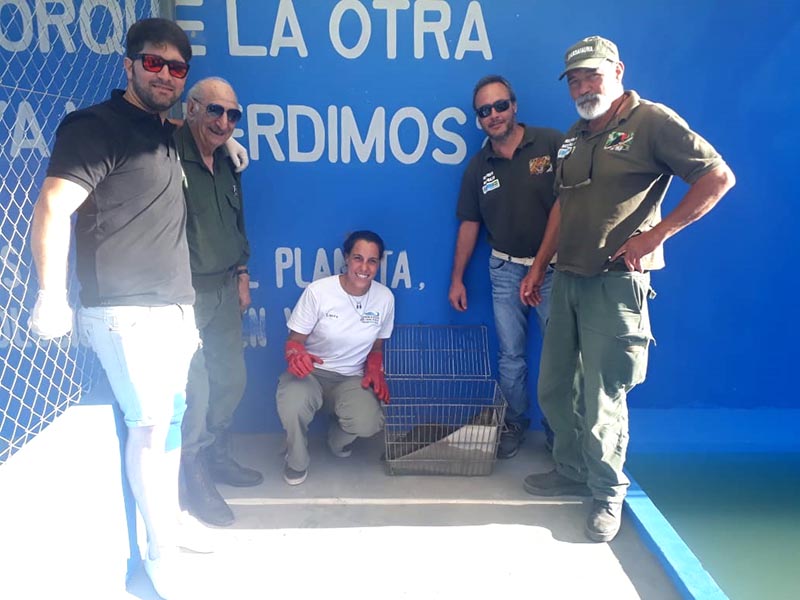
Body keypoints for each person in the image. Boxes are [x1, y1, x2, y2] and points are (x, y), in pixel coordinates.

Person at [520, 36, 735, 543]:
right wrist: (538, 265)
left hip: (615, 286)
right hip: (567, 278)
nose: (582, 86)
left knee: (603, 397)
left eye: (591, 75)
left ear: (617, 70)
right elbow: (561, 207)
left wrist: (656, 235)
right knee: (554, 388)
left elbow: (716, 177)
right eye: (574, 79)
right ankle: (571, 469)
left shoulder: (650, 121)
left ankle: (607, 492)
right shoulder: (574, 136)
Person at [29, 18, 205, 599]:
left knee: (170, 419)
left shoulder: (163, 130)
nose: (164, 75)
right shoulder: (94, 127)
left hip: (174, 306)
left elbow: (191, 125)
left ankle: (168, 527)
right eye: (152, 63)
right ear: (127, 65)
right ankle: (161, 557)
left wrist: (223, 139)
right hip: (125, 312)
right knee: (151, 428)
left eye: (176, 68)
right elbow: (54, 208)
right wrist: (51, 297)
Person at [449, 75, 562, 459]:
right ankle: (514, 421)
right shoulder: (478, 166)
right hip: (505, 271)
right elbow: (469, 223)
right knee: (510, 355)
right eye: (485, 111)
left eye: (500, 106)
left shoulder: (551, 144)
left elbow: (571, 205)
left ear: (515, 106)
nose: (494, 115)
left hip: (554, 271)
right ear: (478, 119)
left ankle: (559, 429)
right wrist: (457, 279)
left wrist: (541, 264)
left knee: (559, 352)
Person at [175, 77, 262, 528]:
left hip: (227, 288)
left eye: (233, 115)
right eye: (214, 111)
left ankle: (218, 455)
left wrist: (243, 274)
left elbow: (239, 222)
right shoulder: (167, 153)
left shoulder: (229, 161)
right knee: (196, 388)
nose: (224, 122)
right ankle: (193, 473)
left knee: (231, 378)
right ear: (191, 109)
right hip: (183, 294)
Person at [276, 231, 395, 485]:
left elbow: (377, 345)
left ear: (379, 264)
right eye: (357, 258)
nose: (364, 267)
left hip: (351, 378)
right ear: (346, 258)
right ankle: (296, 460)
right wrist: (295, 354)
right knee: (292, 401)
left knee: (370, 421)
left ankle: (336, 439)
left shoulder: (385, 298)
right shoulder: (319, 292)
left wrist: (375, 367)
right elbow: (295, 340)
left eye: (372, 261)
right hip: (311, 374)